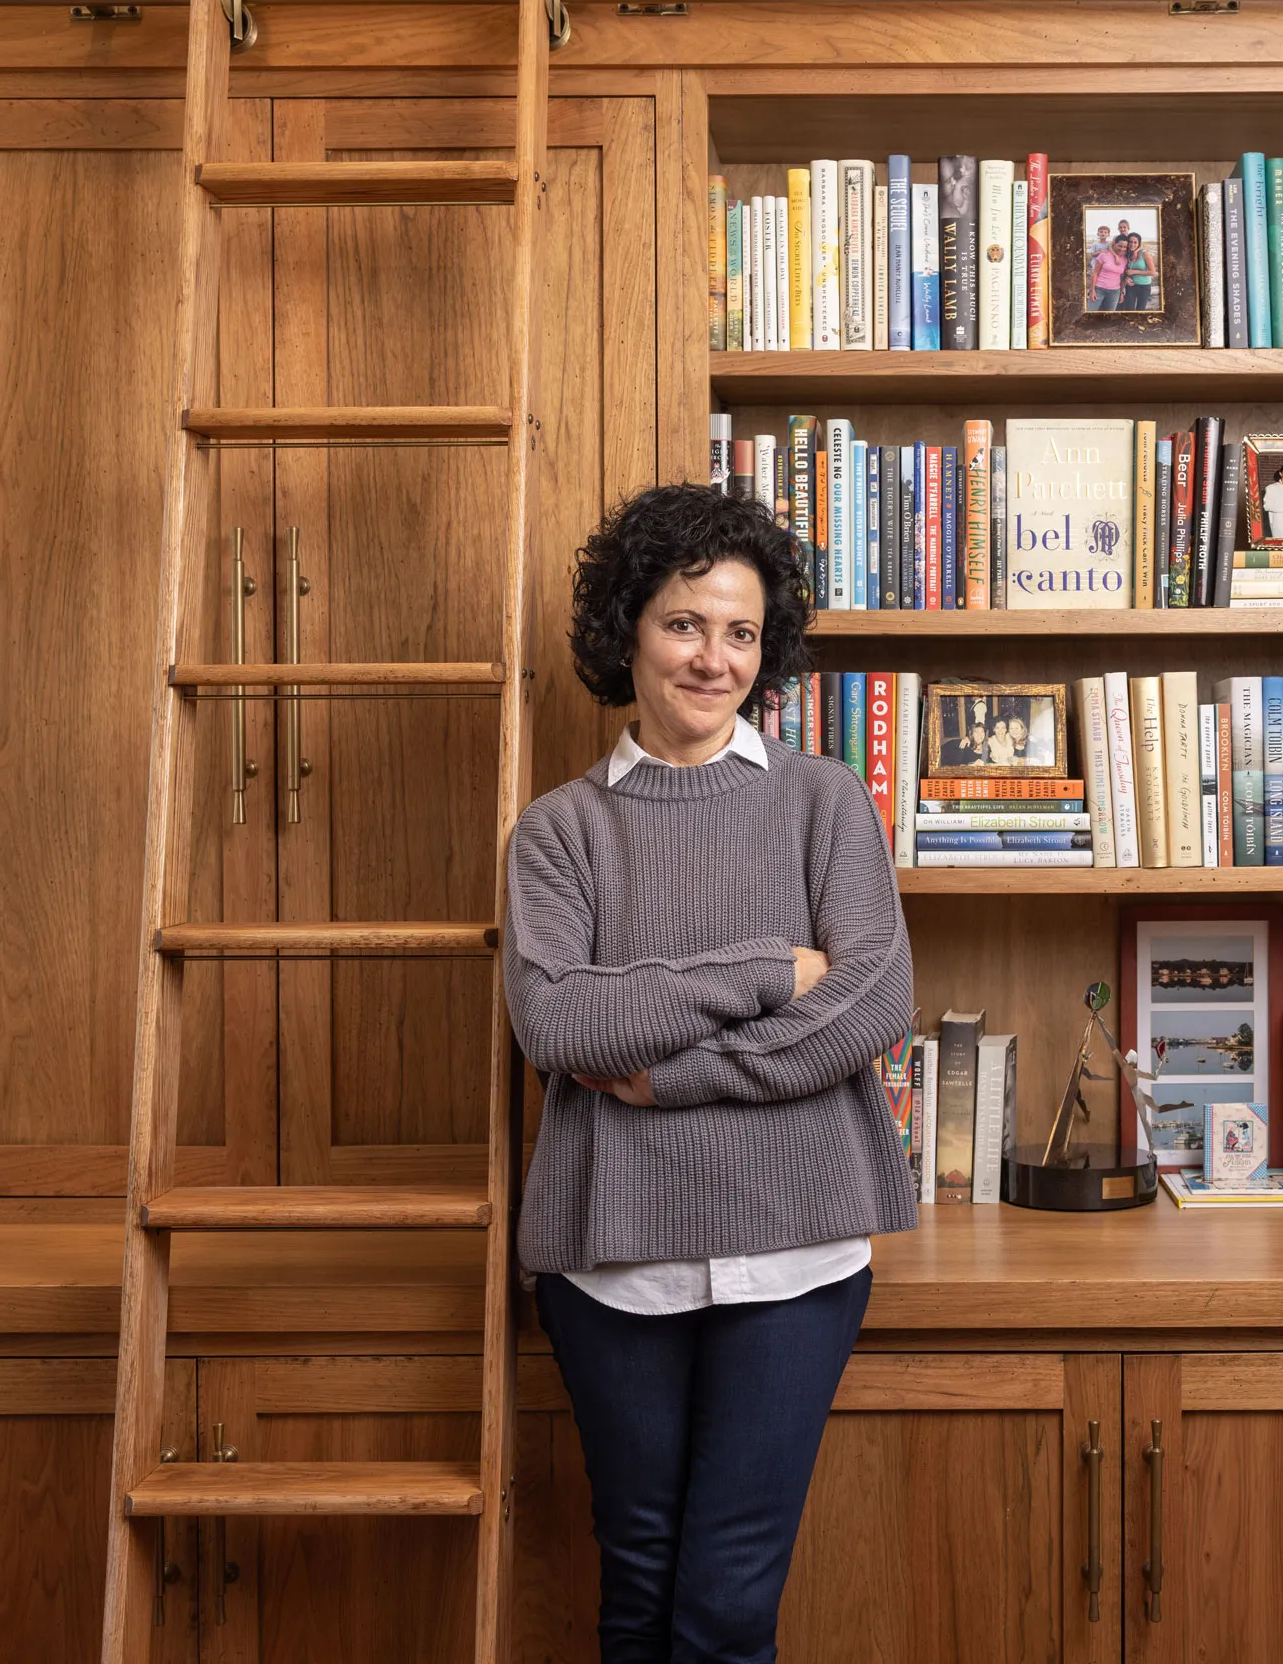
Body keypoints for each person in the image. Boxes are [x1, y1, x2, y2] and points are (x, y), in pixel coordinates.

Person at [507, 484, 917, 1664]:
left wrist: (670, 1073)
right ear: (628, 629)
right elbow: (559, 1020)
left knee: (728, 1603)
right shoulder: (559, 832)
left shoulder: (823, 801)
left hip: (795, 1257)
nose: (713, 657)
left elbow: (870, 1001)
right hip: (613, 1259)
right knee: (637, 1584)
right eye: (686, 623)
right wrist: (768, 969)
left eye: (741, 631)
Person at [1119, 230, 1157, 313]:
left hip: (1144, 287)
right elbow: (1125, 270)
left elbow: (1152, 272)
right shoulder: (1127, 254)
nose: (1132, 244)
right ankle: (1128, 324)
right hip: (1131, 286)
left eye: (1135, 242)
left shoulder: (1144, 254)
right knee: (1129, 309)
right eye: (1130, 242)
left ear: (1139, 243)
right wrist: (1126, 278)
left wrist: (1134, 271)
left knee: (1140, 309)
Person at [1089, 228, 1126, 311]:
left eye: (1124, 247)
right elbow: (1095, 273)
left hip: (1115, 292)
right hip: (1099, 289)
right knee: (1091, 312)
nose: (1122, 249)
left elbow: (1122, 277)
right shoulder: (1104, 255)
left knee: (1109, 317)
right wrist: (1092, 290)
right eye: (1120, 246)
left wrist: (1122, 292)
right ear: (1114, 244)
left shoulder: (1125, 259)